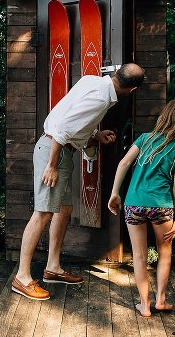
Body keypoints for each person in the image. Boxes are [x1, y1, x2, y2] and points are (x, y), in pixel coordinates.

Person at [11, 63, 146, 300]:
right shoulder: (102, 100)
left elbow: (71, 114)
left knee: (64, 209)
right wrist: (52, 165)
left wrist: (95, 134)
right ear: (132, 90)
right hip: (54, 151)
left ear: (116, 73)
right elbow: (62, 127)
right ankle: (22, 277)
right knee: (43, 213)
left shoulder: (92, 81)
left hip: (60, 150)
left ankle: (52, 268)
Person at [107, 100, 175, 316]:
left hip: (134, 203)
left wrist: (115, 193)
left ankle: (144, 305)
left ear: (164, 117)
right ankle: (161, 300)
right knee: (164, 252)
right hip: (161, 208)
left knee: (139, 256)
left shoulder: (145, 139)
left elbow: (124, 163)